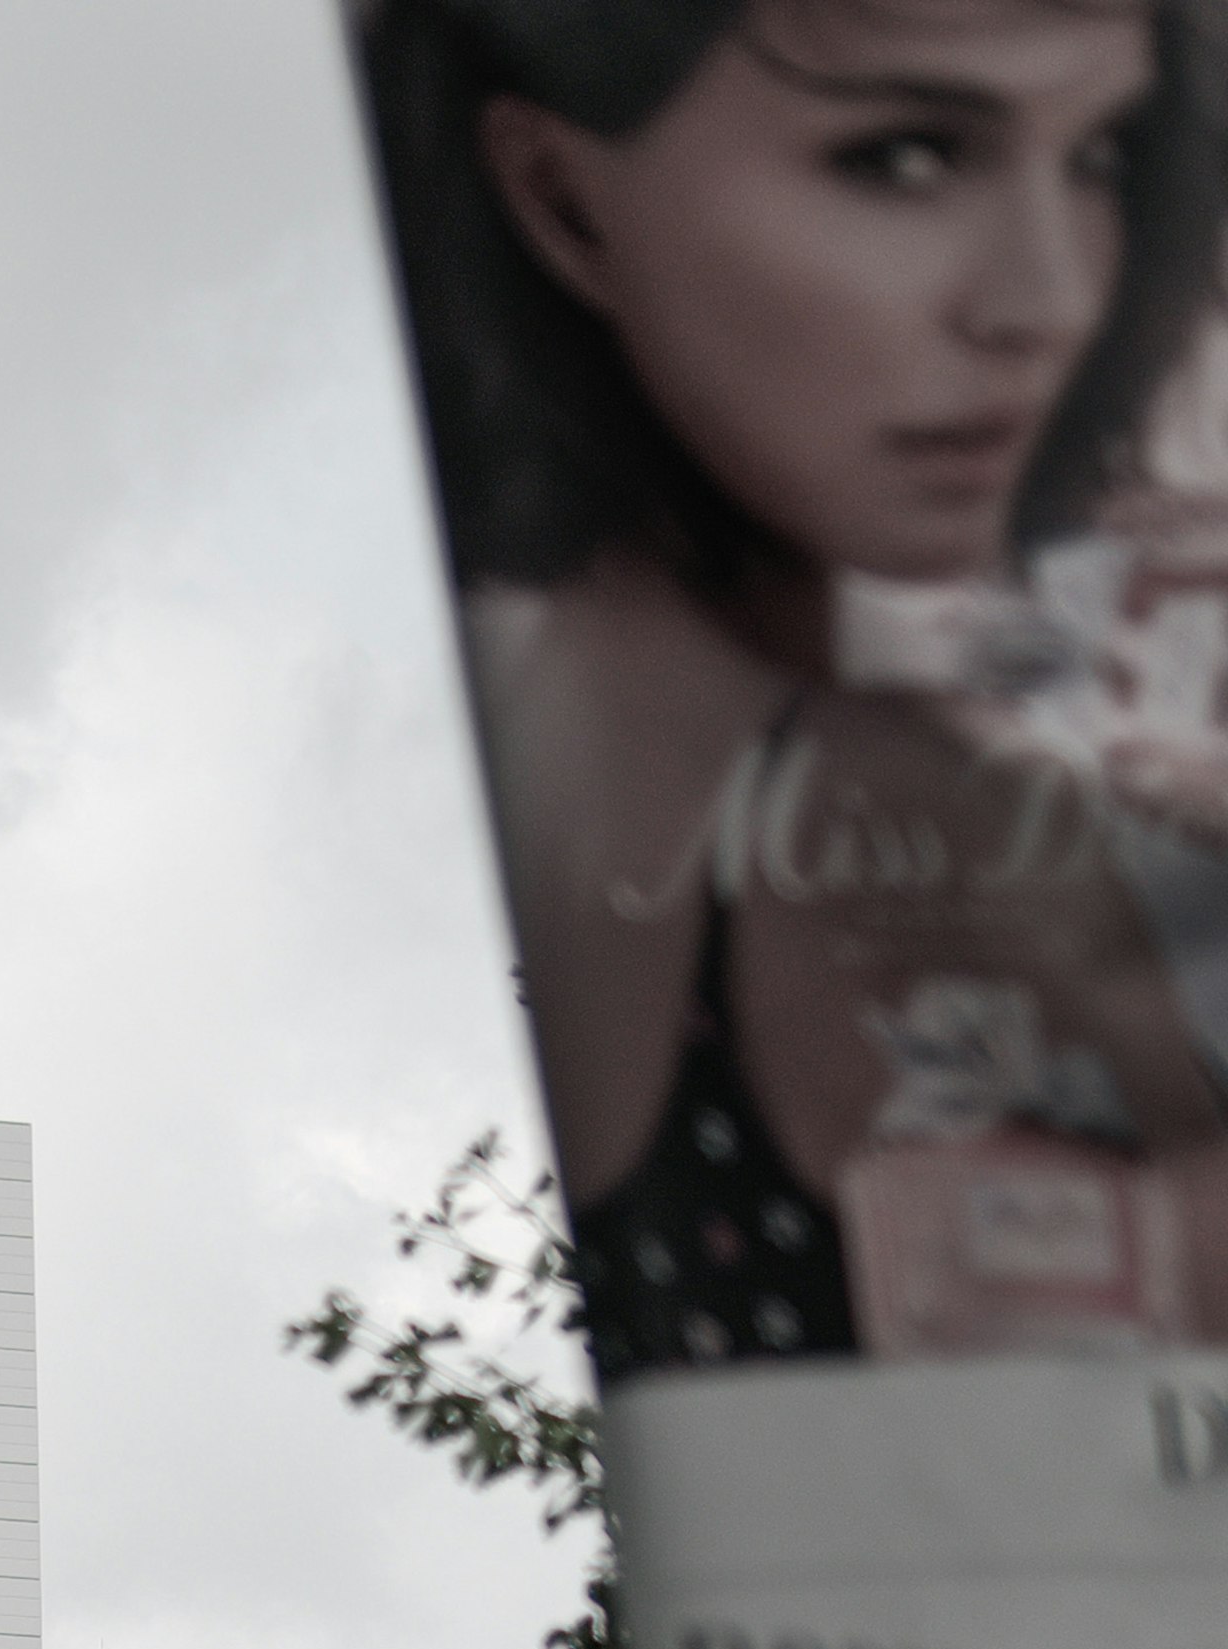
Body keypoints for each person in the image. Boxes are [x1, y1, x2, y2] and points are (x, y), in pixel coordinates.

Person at [358, 0, 1228, 1381]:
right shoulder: (886, 794)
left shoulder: (526, 757)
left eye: (1100, 159)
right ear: (560, 197)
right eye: (904, 158)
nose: (1049, 298)